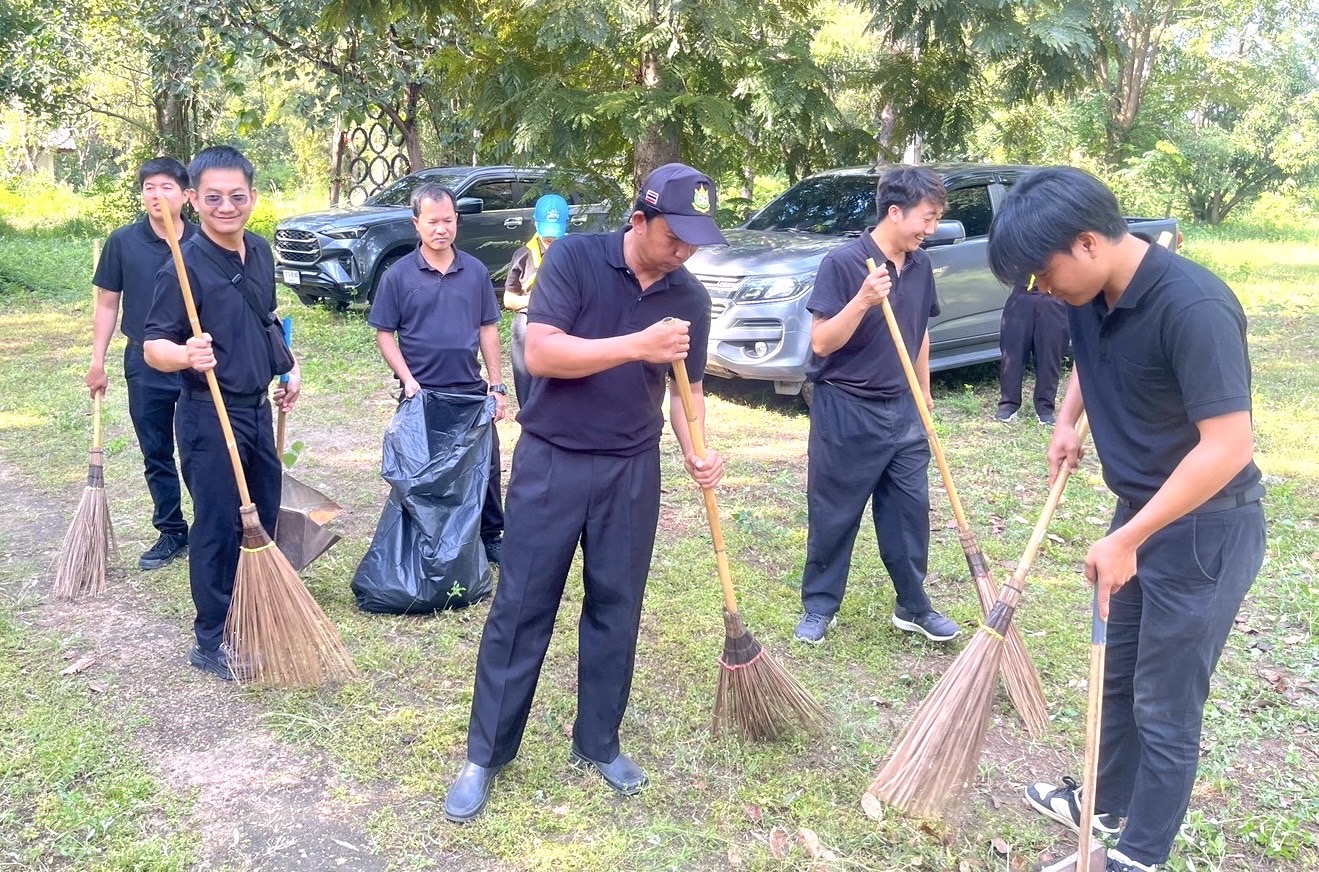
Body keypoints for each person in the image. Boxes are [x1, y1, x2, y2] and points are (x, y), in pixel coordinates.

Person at [987, 166, 1265, 872]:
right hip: (1137, 515)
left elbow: (1228, 446)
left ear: (1086, 242)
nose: (1041, 289)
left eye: (1043, 272)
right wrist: (1068, 420)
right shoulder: (1091, 290)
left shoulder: (1194, 306)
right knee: (1118, 677)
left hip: (1203, 530)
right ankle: (1103, 802)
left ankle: (1137, 857)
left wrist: (1130, 537)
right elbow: (1091, 354)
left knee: (1165, 704)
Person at [443, 163, 727, 823]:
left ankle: (598, 740)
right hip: (553, 461)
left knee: (616, 607)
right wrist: (637, 344)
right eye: (674, 236)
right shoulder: (573, 259)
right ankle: (486, 754)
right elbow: (542, 353)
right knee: (521, 607)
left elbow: (687, 390)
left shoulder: (689, 298)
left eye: (695, 241)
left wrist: (697, 448)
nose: (683, 252)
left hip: (632, 469)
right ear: (640, 220)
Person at [143, 145, 301, 681]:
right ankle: (212, 637)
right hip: (208, 413)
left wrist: (287, 367)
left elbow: (265, 317)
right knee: (216, 524)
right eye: (213, 198)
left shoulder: (259, 251)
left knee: (264, 513)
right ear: (193, 199)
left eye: (237, 196)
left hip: (256, 410)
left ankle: (251, 611)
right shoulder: (182, 266)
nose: (226, 207)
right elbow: (152, 347)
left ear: (252, 196)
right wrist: (186, 354)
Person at [792, 166, 960, 646]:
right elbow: (822, 342)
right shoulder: (844, 263)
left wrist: (924, 391)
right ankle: (819, 606)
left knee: (910, 510)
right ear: (895, 212)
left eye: (935, 218)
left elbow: (919, 333)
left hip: (903, 408)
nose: (931, 229)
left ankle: (913, 606)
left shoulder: (920, 265)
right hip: (846, 407)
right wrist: (863, 300)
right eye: (926, 218)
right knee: (835, 511)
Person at [368, 183, 507, 564]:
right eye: (432, 222)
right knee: (420, 471)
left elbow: (488, 328)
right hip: (421, 394)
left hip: (470, 392)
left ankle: (490, 536)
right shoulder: (398, 276)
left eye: (448, 220)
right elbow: (384, 334)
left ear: (456, 221)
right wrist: (407, 379)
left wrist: (496, 386)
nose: (441, 229)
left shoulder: (475, 272)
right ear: (416, 223)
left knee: (486, 466)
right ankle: (424, 537)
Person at [86, 157, 196, 570]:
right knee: (156, 450)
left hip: (195, 360)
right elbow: (107, 304)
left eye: (166, 187)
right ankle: (172, 531)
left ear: (186, 195)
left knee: (200, 447)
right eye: (149, 187)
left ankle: (212, 528)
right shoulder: (123, 242)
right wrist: (97, 361)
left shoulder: (204, 240)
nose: (157, 195)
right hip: (144, 360)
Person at [504, 193, 570, 407]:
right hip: (529, 322)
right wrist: (534, 300)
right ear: (535, 223)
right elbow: (509, 299)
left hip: (567, 324)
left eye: (555, 236)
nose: (551, 241)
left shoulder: (576, 252)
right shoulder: (523, 255)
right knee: (528, 385)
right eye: (547, 236)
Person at [994, 273, 1069, 425]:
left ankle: (1045, 408)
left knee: (1049, 356)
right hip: (1022, 294)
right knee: (1012, 354)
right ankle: (1008, 404)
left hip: (1053, 297)